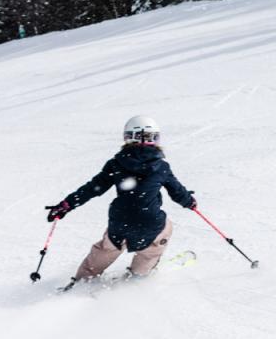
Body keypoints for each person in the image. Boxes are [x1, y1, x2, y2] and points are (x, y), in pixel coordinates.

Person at [47, 115, 197, 284]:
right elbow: (178, 193)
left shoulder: (116, 164)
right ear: (155, 138)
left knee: (107, 248)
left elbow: (93, 188)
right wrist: (190, 202)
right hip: (150, 223)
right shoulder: (161, 167)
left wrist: (66, 205)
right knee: (160, 235)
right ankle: (139, 275)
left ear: (127, 137)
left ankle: (82, 281)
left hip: (120, 224)